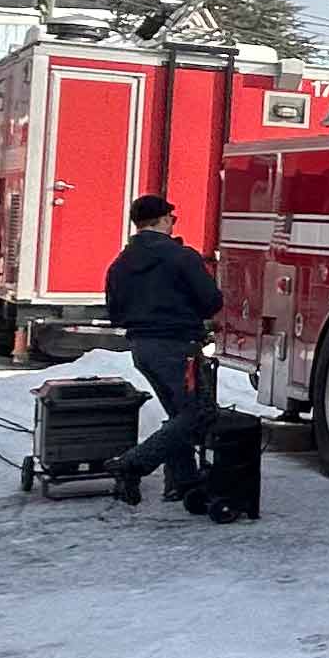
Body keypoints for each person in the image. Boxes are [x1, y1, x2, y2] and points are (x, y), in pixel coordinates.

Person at [102, 195, 225, 509]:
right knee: (200, 413)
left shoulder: (121, 262)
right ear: (164, 219)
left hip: (142, 348)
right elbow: (211, 301)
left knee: (179, 414)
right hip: (178, 346)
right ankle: (132, 464)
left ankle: (184, 483)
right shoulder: (182, 257)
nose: (173, 223)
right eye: (172, 218)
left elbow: (114, 312)